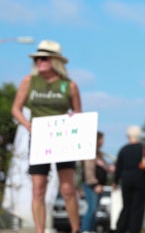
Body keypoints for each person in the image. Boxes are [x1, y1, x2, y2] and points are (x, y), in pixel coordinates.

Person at [11, 39, 83, 233]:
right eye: (37, 59)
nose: (39, 62)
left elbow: (78, 113)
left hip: (63, 139)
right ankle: (40, 230)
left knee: (67, 188)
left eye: (43, 58)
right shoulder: (29, 81)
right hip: (39, 138)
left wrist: (73, 122)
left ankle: (75, 229)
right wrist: (28, 125)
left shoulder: (69, 85)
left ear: (55, 61)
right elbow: (16, 109)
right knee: (38, 187)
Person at [113, 125, 145, 233]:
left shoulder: (123, 150)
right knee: (138, 207)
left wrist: (115, 181)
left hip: (126, 180)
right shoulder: (144, 148)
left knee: (126, 205)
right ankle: (134, 229)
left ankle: (120, 228)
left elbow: (118, 167)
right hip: (141, 179)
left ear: (128, 136)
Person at [82, 131, 114, 233]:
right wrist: (95, 184)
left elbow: (104, 168)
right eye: (101, 139)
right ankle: (85, 229)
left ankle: (91, 229)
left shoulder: (99, 154)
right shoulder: (90, 154)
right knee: (91, 209)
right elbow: (89, 170)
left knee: (95, 209)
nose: (103, 141)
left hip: (99, 185)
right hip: (92, 185)